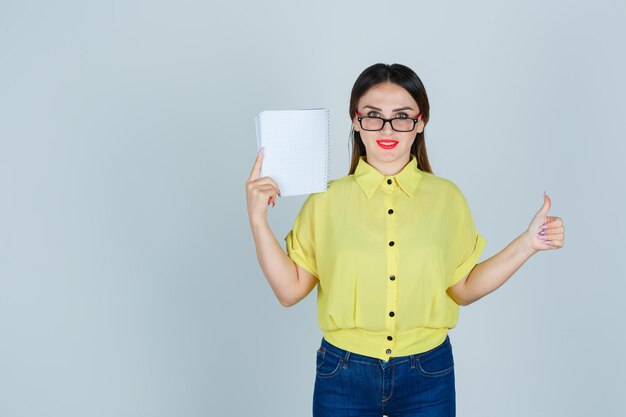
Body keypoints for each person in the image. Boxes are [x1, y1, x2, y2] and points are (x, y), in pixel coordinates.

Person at [245, 63, 565, 417]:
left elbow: (464, 287)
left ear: (420, 121)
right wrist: (258, 221)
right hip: (343, 372)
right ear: (355, 121)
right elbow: (289, 291)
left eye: (401, 116)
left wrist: (529, 242)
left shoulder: (446, 198)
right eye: (372, 115)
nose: (387, 128)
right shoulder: (325, 200)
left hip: (428, 371)